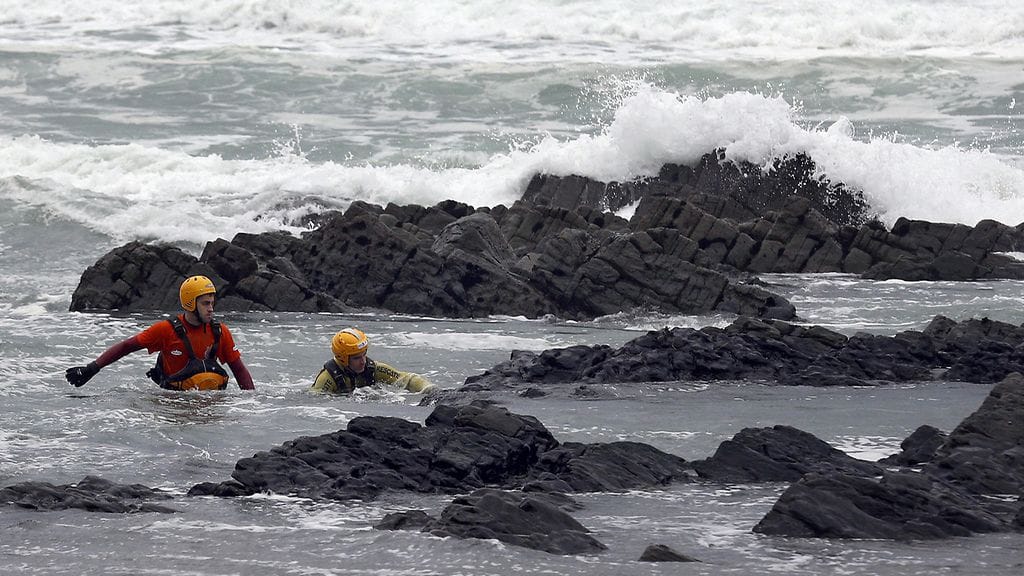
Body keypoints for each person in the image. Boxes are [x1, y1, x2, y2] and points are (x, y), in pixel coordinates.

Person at [65, 275, 255, 391]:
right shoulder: (165, 330)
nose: (211, 309)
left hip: (210, 404)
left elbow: (238, 370)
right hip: (172, 403)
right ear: (190, 303)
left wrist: (251, 404)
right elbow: (127, 347)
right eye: (206, 303)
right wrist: (92, 368)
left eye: (212, 303)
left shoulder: (220, 332)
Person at [310, 328, 433, 394]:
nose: (363, 361)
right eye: (356, 358)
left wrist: (430, 389)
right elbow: (316, 403)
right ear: (343, 358)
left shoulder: (373, 369)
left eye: (364, 355)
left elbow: (407, 379)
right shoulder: (327, 379)